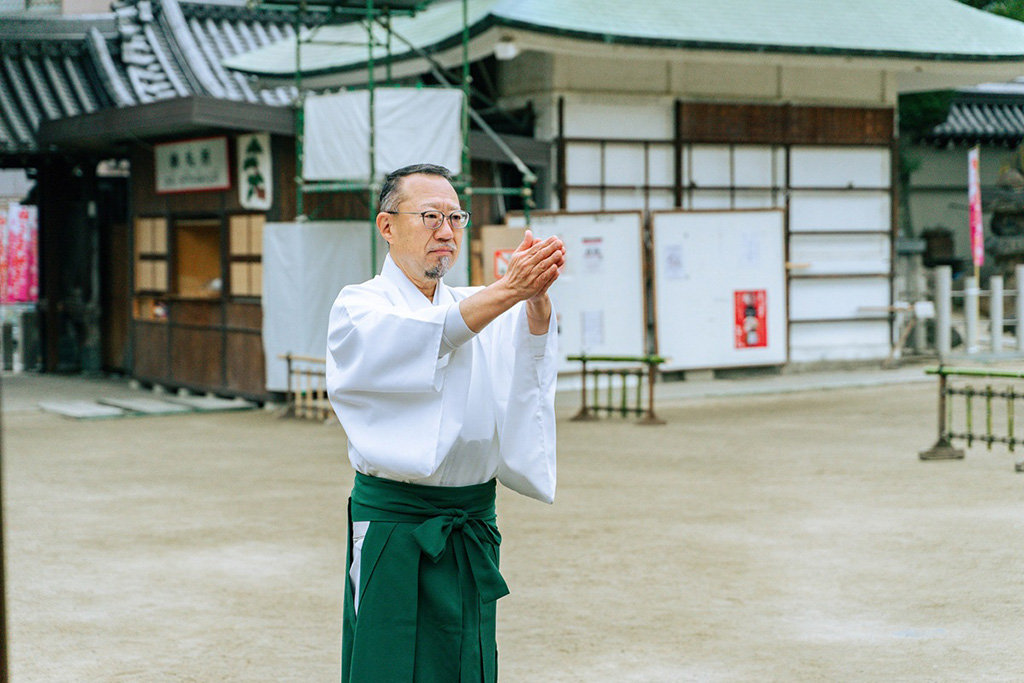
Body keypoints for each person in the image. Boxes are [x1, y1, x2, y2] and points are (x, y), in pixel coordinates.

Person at [325, 163, 566, 683]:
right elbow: (428, 335)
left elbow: (524, 366)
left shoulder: (472, 302)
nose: (446, 230)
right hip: (398, 521)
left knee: (466, 660)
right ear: (386, 226)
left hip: (471, 519)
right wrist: (510, 290)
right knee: (388, 664)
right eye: (430, 215)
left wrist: (536, 305)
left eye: (455, 217)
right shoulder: (360, 305)